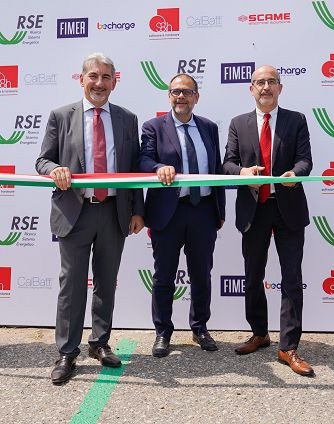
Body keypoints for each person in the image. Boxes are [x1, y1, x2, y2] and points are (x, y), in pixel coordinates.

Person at [35, 52, 145, 385]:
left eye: (106, 77)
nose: (99, 83)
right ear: (81, 79)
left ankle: (99, 343)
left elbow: (135, 169)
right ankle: (67, 352)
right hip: (75, 212)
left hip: (114, 212)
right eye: (93, 76)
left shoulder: (127, 119)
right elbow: (42, 160)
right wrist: (55, 169)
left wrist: (138, 210)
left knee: (106, 282)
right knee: (71, 285)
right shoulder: (61, 116)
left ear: (114, 82)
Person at [223, 65, 314, 376]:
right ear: (251, 88)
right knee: (252, 276)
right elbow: (227, 164)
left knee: (291, 278)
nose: (265, 87)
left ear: (280, 87)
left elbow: (306, 160)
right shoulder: (239, 123)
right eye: (259, 82)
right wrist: (242, 173)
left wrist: (295, 174)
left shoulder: (296, 120)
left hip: (288, 207)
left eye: (271, 82)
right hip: (254, 209)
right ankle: (259, 333)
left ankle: (288, 347)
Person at [139, 74, 225, 356]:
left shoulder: (209, 127)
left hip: (203, 211)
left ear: (196, 97)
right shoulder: (153, 127)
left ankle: (200, 328)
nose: (180, 97)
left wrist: (220, 209)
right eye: (175, 91)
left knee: (201, 274)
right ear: (169, 96)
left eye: (187, 92)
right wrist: (158, 168)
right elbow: (143, 159)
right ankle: (163, 332)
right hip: (168, 213)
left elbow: (217, 169)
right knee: (164, 275)